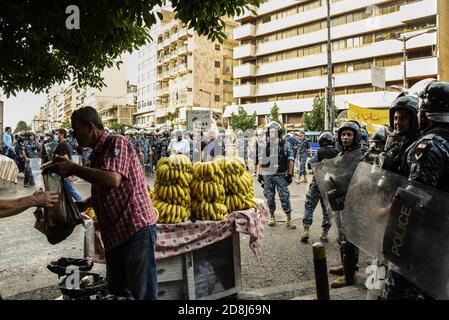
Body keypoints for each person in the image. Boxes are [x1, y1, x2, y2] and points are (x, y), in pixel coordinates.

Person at [47, 107, 158, 300]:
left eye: (76, 129)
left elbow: (113, 179)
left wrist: (73, 167)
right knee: (117, 292)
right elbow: (106, 189)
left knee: (143, 294)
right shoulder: (97, 154)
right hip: (115, 235)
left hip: (135, 230)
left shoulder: (117, 142)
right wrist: (84, 204)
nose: (74, 135)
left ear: (90, 127)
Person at [382, 82, 449, 300]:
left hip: (424, 237)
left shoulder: (430, 143)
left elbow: (415, 196)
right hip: (442, 236)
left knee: (400, 291)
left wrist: (384, 212)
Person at [328, 121, 362, 289]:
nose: (345, 137)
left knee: (349, 239)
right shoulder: (341, 154)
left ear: (355, 136)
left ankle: (349, 277)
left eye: (349, 134)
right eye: (343, 134)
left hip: (354, 203)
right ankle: (347, 265)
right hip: (339, 201)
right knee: (342, 236)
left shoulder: (360, 155)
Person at [301, 131, 338, 243]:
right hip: (330, 185)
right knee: (327, 209)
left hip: (317, 183)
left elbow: (309, 164)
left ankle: (306, 230)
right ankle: (324, 234)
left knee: (309, 205)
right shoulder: (337, 153)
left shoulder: (319, 153)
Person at [258, 121, 296, 229]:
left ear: (279, 133)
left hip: (281, 175)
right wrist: (259, 175)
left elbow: (290, 160)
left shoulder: (286, 144)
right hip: (268, 175)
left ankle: (289, 219)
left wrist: (289, 174)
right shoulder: (266, 145)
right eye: (269, 132)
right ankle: (272, 217)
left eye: (273, 132)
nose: (271, 134)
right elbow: (261, 160)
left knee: (284, 197)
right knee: (269, 197)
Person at [43, 128, 83, 202]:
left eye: (57, 134)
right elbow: (59, 159)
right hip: (62, 171)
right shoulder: (65, 143)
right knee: (64, 190)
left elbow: (66, 158)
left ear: (62, 135)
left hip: (63, 172)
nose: (55, 136)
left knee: (71, 191)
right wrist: (47, 163)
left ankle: (82, 204)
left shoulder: (62, 144)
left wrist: (68, 174)